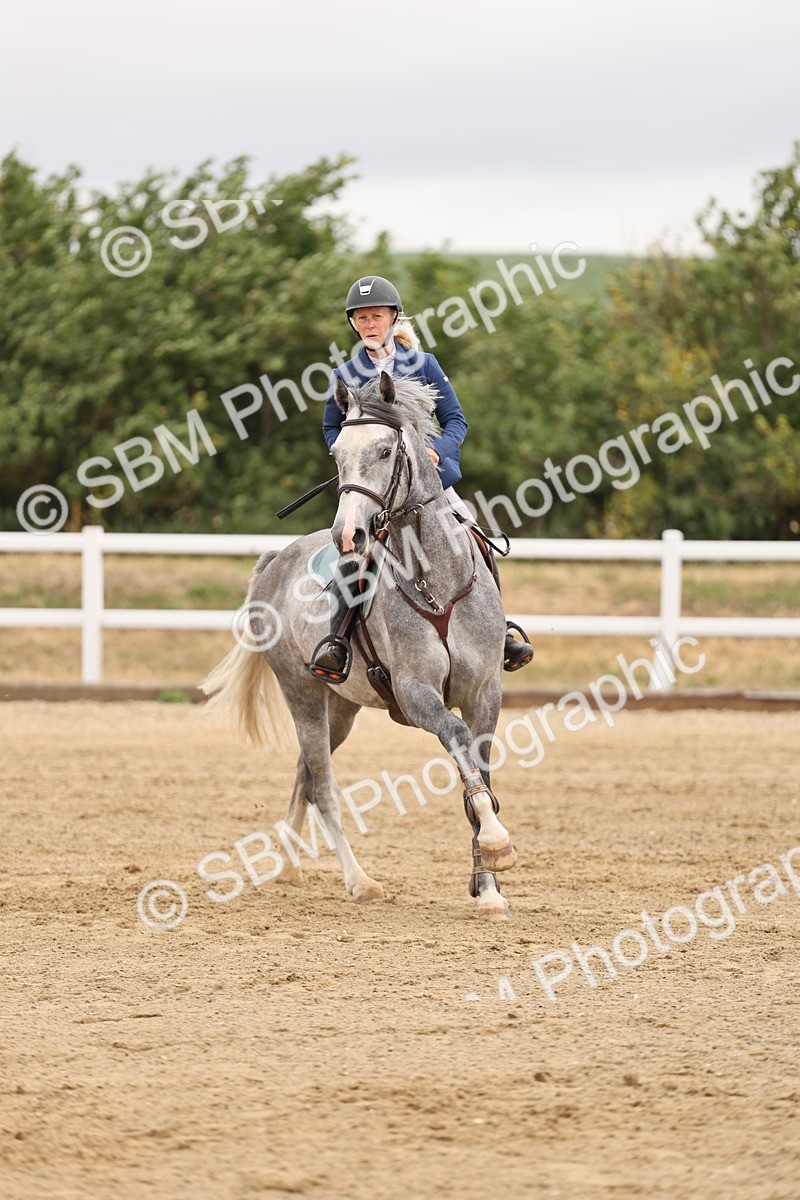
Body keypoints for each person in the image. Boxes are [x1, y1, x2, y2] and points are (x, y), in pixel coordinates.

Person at [309, 274, 533, 681]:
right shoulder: (346, 373)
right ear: (354, 325)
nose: (369, 324)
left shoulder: (423, 364)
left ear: (393, 319)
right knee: (351, 552)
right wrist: (351, 456)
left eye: (377, 316)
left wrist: (437, 451)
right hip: (377, 488)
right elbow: (330, 428)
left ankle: (500, 632)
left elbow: (455, 420)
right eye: (361, 319)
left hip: (429, 483)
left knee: (476, 541)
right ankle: (337, 643)